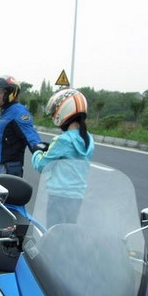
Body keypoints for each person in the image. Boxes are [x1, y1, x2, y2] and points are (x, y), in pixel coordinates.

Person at [32, 88, 94, 226]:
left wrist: (36, 152)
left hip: (58, 196)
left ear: (64, 110)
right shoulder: (88, 139)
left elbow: (42, 165)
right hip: (77, 196)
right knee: (68, 233)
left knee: (53, 234)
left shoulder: (63, 140)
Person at [0, 75, 42, 177]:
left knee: (7, 193)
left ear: (11, 93)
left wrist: (43, 158)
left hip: (9, 168)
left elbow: (31, 137)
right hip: (1, 166)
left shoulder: (19, 113)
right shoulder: (7, 111)